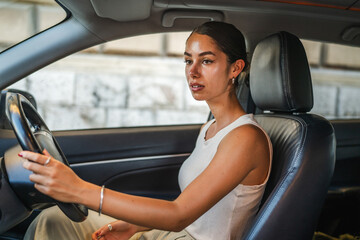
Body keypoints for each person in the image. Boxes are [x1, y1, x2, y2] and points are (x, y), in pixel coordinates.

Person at [20, 21, 272, 240]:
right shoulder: (211, 127)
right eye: (188, 60)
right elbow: (196, 211)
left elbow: (179, 215)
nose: (192, 71)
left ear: (235, 68)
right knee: (53, 220)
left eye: (206, 61)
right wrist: (134, 225)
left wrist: (78, 189)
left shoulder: (245, 138)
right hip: (173, 233)